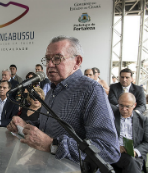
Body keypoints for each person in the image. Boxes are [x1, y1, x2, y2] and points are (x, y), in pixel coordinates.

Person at [7, 35, 120, 165]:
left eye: (57, 58)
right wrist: (26, 126)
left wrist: (53, 145)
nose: (49, 65)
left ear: (77, 61)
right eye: (48, 59)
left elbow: (109, 150)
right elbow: (47, 127)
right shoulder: (51, 92)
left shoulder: (91, 90)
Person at [111, 93, 148, 173]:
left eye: (127, 106)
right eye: (121, 105)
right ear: (118, 103)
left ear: (134, 105)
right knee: (130, 161)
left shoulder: (143, 121)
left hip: (135, 155)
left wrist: (136, 151)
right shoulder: (111, 117)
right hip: (115, 153)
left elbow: (147, 142)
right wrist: (116, 146)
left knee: (131, 160)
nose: (124, 109)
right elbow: (104, 136)